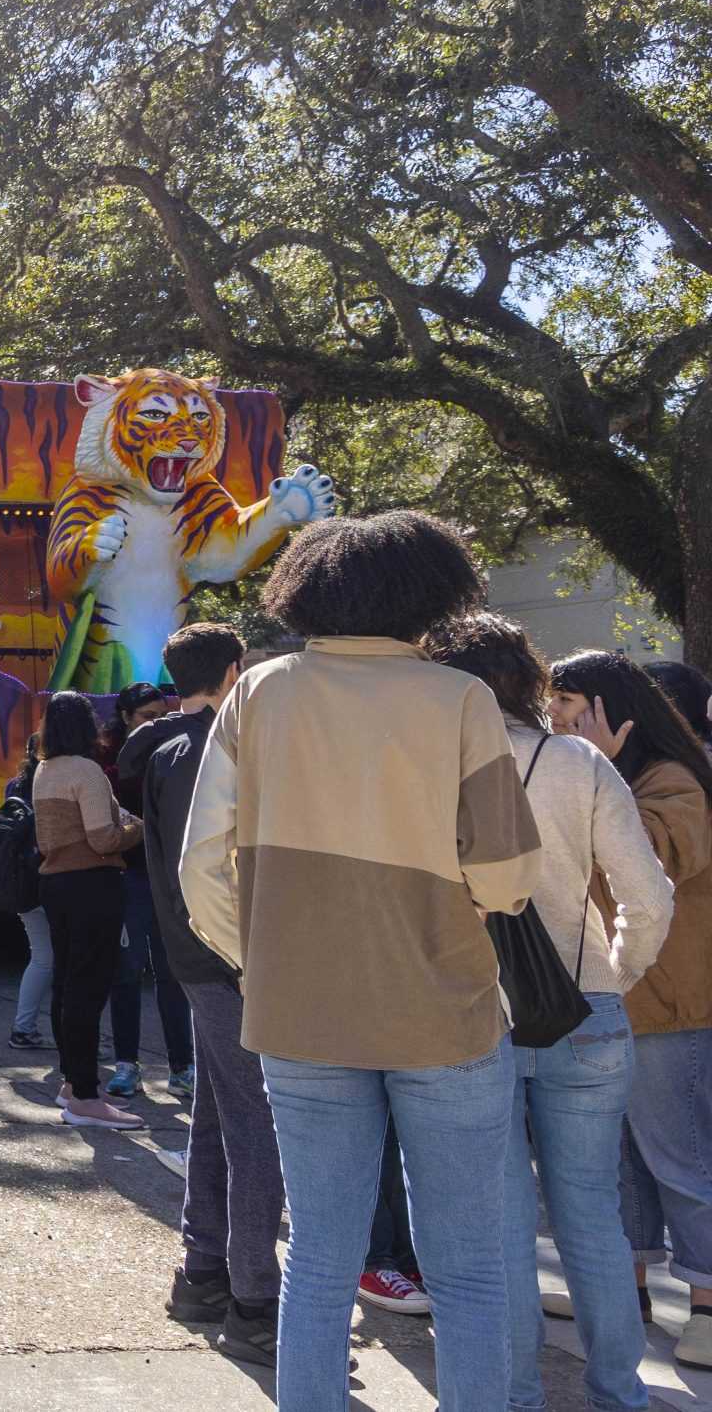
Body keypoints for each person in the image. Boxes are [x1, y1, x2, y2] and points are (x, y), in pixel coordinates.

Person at [180, 511, 545, 1412]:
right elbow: (504, 879)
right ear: (432, 594)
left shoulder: (258, 690)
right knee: (466, 1270)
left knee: (318, 1264)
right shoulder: (458, 699)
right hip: (444, 1010)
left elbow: (201, 866)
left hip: (299, 1011)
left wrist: (253, 956)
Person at [426, 616, 673, 1411]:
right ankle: (619, 1392)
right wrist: (616, 973)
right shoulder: (577, 762)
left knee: (498, 1232)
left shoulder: (427, 766)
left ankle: (517, 1395)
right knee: (592, 1220)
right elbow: (650, 897)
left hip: (472, 1012)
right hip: (588, 1003)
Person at [549, 648, 712, 1368]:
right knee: (620, 1166)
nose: (556, 725)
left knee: (682, 1163)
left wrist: (588, 779)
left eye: (570, 710)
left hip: (672, 1007)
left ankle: (707, 1304)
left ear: (616, 712)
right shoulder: (615, 776)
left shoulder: (673, 781)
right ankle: (630, 1288)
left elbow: (645, 857)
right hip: (614, 1001)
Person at [128, 623, 281, 1367]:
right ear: (237, 667)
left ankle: (204, 1270)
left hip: (191, 954)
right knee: (256, 1126)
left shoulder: (160, 751)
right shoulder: (233, 744)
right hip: (236, 958)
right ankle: (254, 1298)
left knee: (221, 1114)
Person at [34, 692, 143, 1129]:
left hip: (55, 885)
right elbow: (103, 838)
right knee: (90, 987)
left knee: (66, 984)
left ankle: (71, 1081)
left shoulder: (44, 770)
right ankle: (85, 1095)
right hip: (93, 886)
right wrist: (139, 831)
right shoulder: (87, 771)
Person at [106, 682, 190, 1099]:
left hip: (171, 877)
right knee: (126, 971)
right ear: (125, 717)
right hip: (130, 877)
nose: (156, 724)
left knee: (174, 973)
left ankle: (182, 1067)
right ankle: (126, 1065)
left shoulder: (178, 752)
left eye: (161, 715)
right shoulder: (109, 760)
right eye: (147, 717)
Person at [0, 735, 54, 1052]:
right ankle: (32, 1029)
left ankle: (23, 1028)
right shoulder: (55, 782)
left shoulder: (14, 787)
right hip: (52, 879)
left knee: (43, 958)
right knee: (57, 960)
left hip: (24, 884)